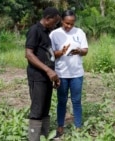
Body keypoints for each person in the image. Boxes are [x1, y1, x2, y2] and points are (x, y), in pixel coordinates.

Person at [49, 9, 88, 139]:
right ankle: (60, 127)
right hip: (61, 73)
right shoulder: (54, 34)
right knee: (62, 101)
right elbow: (50, 55)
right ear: (62, 21)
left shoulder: (80, 32)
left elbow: (86, 50)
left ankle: (78, 127)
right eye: (66, 23)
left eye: (71, 24)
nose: (69, 26)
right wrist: (61, 52)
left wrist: (79, 51)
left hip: (77, 73)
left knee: (77, 101)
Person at [25, 7, 61, 141]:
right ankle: (34, 138)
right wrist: (47, 70)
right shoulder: (35, 30)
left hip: (47, 77)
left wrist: (54, 74)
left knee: (45, 107)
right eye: (55, 22)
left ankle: (44, 137)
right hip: (37, 76)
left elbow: (49, 55)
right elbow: (29, 54)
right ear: (47, 19)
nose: (55, 25)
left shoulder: (47, 33)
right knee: (37, 109)